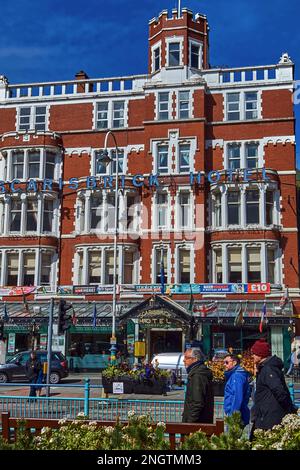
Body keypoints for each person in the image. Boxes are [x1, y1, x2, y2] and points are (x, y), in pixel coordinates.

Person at [250, 339, 297, 438]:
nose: (252, 356)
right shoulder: (265, 368)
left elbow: (279, 391)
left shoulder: (268, 369)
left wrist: (287, 409)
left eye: (254, 353)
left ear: (260, 354)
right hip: (264, 417)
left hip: (269, 419)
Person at [182, 348, 214, 423]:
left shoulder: (198, 375)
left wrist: (190, 423)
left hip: (197, 424)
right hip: (200, 422)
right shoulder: (197, 372)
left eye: (186, 358)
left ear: (195, 359)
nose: (184, 360)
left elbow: (197, 402)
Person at [223, 354, 251, 426]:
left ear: (234, 362)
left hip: (235, 416)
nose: (224, 365)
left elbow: (237, 396)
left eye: (226, 362)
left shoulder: (237, 376)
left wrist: (233, 416)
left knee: (231, 436)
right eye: (223, 362)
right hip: (237, 414)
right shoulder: (236, 375)